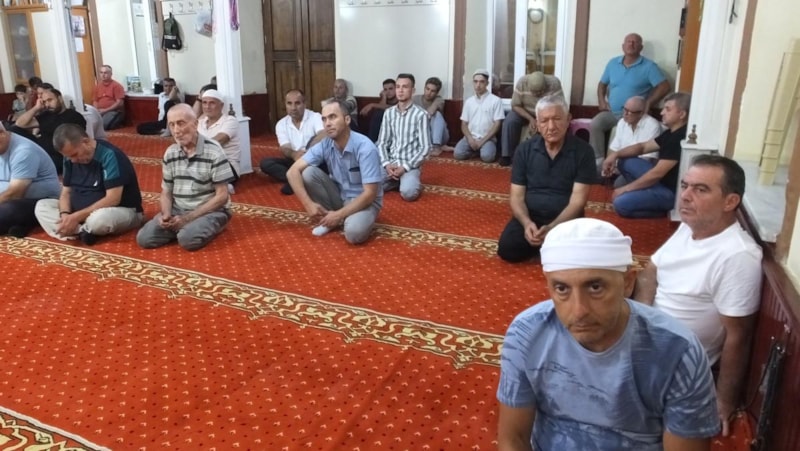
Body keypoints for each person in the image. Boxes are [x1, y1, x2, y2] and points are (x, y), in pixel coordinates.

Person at [497, 217, 720, 450]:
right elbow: (513, 440)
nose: (579, 311)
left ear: (628, 283)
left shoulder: (677, 351)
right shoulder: (526, 334)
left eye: (595, 287)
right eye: (562, 289)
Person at [633, 155, 762, 438]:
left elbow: (738, 335)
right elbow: (651, 270)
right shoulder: (690, 226)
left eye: (700, 189)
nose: (685, 196)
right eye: (685, 185)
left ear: (730, 201)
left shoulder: (737, 256)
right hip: (643, 339)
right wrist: (638, 321)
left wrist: (723, 401)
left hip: (674, 362)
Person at [497, 95, 596, 263]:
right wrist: (527, 223)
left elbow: (577, 202)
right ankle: (545, 247)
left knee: (579, 256)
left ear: (568, 119)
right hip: (532, 216)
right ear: (537, 123)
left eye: (557, 119)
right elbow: (516, 198)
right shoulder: (524, 150)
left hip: (566, 220)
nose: (551, 127)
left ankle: (547, 247)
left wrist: (552, 227)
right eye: (544, 121)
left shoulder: (584, 152)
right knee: (507, 248)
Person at [136, 104, 235, 251]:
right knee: (144, 238)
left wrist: (187, 219)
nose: (176, 131)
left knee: (187, 240)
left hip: (209, 211)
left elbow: (222, 196)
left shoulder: (214, 151)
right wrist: (166, 215)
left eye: (181, 123)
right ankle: (181, 227)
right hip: (179, 209)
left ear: (195, 124)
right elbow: (166, 191)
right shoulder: (171, 152)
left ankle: (211, 225)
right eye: (172, 125)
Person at [286, 99, 383, 245]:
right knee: (308, 173)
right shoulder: (325, 144)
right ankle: (333, 217)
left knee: (354, 234)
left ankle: (339, 218)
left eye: (332, 117)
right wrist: (308, 204)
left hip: (364, 202)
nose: (327, 124)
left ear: (347, 120)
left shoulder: (365, 148)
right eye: (324, 119)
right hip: (340, 196)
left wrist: (338, 215)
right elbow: (292, 172)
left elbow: (370, 194)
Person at [34, 124, 143, 245]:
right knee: (42, 206)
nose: (73, 160)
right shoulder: (69, 159)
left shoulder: (110, 155)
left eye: (75, 155)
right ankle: (82, 231)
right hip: (79, 213)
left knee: (99, 219)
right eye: (68, 157)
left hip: (119, 211)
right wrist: (65, 214)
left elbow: (113, 199)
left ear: (86, 142)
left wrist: (75, 217)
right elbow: (66, 192)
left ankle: (77, 229)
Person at [601, 92, 690, 218]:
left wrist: (626, 189)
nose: (662, 112)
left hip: (669, 192)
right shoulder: (670, 133)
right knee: (624, 160)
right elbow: (643, 147)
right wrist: (615, 154)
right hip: (659, 183)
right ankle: (644, 194)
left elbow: (657, 174)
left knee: (620, 204)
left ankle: (662, 210)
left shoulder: (679, 138)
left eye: (668, 109)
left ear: (682, 114)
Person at [590, 33, 670, 163]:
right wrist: (602, 101)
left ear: (641, 47)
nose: (631, 44)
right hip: (612, 112)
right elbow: (602, 84)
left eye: (635, 42)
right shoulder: (612, 63)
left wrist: (648, 103)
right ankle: (597, 162)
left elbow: (665, 86)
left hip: (635, 115)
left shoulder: (649, 66)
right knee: (596, 124)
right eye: (628, 41)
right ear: (623, 46)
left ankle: (623, 165)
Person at [376, 73, 431, 202]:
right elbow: (382, 143)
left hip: (409, 165)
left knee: (409, 194)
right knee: (367, 187)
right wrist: (387, 164)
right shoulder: (388, 113)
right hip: (391, 164)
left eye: (405, 87)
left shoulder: (421, 115)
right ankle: (397, 181)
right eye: (398, 87)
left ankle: (405, 181)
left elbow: (425, 148)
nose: (400, 90)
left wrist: (404, 167)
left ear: (413, 90)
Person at [0, 122, 60, 238]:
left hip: (40, 200)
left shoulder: (23, 151)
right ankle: (20, 225)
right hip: (8, 196)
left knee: (7, 211)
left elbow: (15, 193)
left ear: (2, 134)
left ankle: (25, 223)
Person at [260, 89, 325, 195]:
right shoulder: (281, 124)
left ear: (304, 103)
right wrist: (294, 154)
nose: (293, 108)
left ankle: (295, 179)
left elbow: (323, 134)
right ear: (285, 105)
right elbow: (285, 147)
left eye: (297, 103)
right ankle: (299, 178)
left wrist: (307, 153)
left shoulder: (315, 117)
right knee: (266, 163)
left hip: (313, 158)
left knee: (324, 162)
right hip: (295, 160)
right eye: (289, 103)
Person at [13, 85, 87, 174]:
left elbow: (77, 142)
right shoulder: (46, 115)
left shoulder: (74, 116)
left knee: (29, 166)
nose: (47, 104)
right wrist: (36, 108)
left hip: (59, 156)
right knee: (14, 130)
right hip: (41, 152)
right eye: (45, 102)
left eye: (50, 100)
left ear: (60, 99)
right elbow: (19, 124)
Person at [499, 71, 563, 166]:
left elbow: (559, 107)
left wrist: (541, 120)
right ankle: (506, 155)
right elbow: (515, 105)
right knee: (510, 121)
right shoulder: (522, 83)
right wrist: (530, 119)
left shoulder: (554, 84)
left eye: (540, 91)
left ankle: (547, 156)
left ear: (545, 86)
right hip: (525, 112)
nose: (537, 94)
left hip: (546, 113)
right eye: (534, 92)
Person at [454, 69, 505, 162]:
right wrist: (470, 139)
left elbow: (497, 124)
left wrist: (482, 141)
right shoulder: (469, 101)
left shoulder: (496, 101)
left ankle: (480, 150)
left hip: (487, 139)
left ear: (487, 83)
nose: (478, 85)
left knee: (487, 157)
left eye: (481, 82)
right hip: (471, 138)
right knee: (458, 154)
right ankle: (476, 150)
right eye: (475, 81)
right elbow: (464, 124)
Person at [196, 89, 240, 192]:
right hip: (202, 161)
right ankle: (219, 187)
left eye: (212, 103)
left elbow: (216, 142)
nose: (207, 106)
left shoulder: (230, 121)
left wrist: (194, 147)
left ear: (221, 105)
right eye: (204, 103)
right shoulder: (200, 123)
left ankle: (220, 187)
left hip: (226, 165)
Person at [412, 77, 453, 156]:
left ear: (437, 93)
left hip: (441, 136)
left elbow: (430, 112)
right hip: (424, 134)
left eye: (432, 91)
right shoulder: (415, 99)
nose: (429, 93)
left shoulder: (439, 100)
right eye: (427, 89)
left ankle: (437, 147)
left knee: (436, 114)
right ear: (424, 88)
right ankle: (436, 146)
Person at [92, 65, 126, 130]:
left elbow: (120, 103)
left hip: (113, 111)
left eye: (105, 73)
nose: (103, 75)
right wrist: (96, 111)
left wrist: (105, 110)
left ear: (111, 74)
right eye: (101, 72)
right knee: (89, 122)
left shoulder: (117, 86)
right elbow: (95, 101)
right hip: (100, 111)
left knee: (102, 125)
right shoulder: (97, 86)